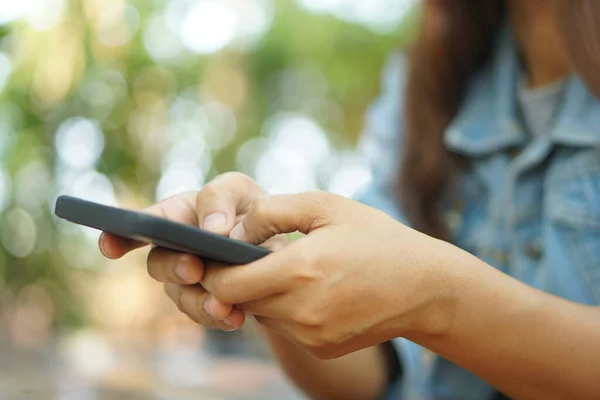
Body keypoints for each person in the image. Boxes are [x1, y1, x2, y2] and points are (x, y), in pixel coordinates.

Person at [99, 1, 600, 399]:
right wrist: (265, 272)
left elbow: (422, 300)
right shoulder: (427, 83)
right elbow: (365, 377)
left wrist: (438, 301)